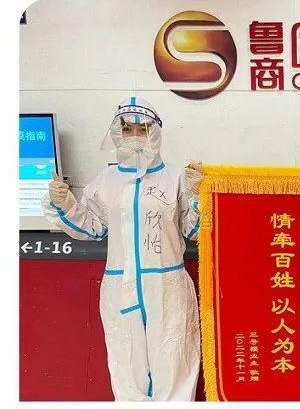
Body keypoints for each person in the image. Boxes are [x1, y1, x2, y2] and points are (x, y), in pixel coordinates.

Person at [42, 97, 204, 401]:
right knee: (126, 361)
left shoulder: (175, 178)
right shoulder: (106, 181)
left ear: (155, 131)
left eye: (142, 129)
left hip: (167, 285)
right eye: (127, 129)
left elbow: (193, 230)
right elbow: (91, 227)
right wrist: (63, 202)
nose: (134, 136)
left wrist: (198, 196)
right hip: (120, 285)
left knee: (174, 358)